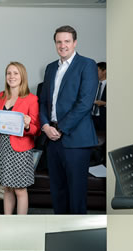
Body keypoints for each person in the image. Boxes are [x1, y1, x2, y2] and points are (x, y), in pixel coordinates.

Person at [39, 25, 99, 214]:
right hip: (52, 138)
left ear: (75, 43)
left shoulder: (87, 65)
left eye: (66, 41)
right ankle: (60, 229)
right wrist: (46, 126)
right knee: (58, 192)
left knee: (76, 194)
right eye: (59, 42)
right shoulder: (50, 68)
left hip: (76, 140)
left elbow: (85, 103)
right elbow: (43, 103)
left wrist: (61, 128)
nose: (62, 45)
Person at [0, 62, 40, 215]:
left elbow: (36, 129)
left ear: (22, 76)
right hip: (4, 147)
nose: (12, 77)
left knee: (20, 190)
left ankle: (20, 221)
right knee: (6, 187)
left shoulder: (31, 99)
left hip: (21, 148)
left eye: (16, 73)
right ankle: (7, 219)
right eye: (9, 73)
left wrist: (26, 125)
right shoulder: (1, 96)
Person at [92, 61, 106, 135]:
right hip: (92, 118)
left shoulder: (112, 85)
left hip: (103, 119)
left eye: (97, 70)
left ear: (104, 71)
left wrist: (104, 103)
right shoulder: (93, 84)